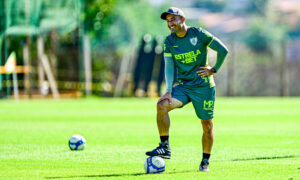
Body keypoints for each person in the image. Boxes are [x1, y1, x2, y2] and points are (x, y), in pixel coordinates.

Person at [145, 7, 228, 172]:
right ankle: (164, 147)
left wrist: (213, 69)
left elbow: (223, 50)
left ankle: (205, 162)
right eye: (168, 21)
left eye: (173, 19)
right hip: (184, 86)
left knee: (207, 125)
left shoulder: (198, 34)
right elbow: (169, 66)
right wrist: (168, 90)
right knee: (161, 105)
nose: (170, 23)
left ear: (182, 20)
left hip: (204, 87)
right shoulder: (169, 41)